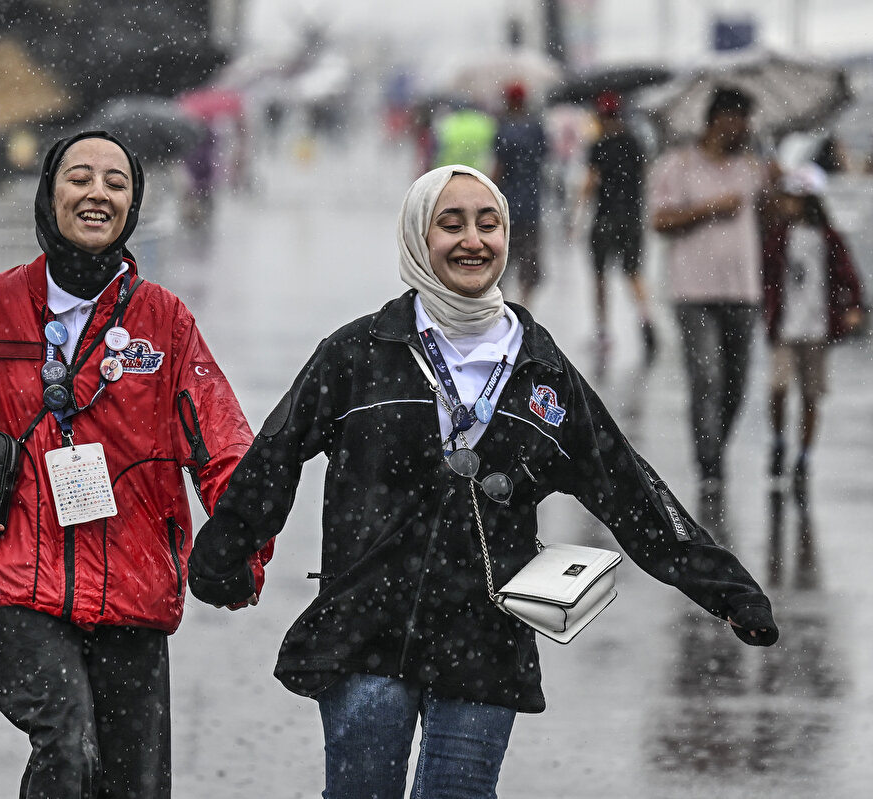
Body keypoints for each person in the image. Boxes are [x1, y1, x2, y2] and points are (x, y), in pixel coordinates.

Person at [188, 164, 779, 799]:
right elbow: (277, 452)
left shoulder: (542, 371)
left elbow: (629, 490)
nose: (473, 240)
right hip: (364, 628)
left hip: (484, 640)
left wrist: (728, 589)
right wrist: (225, 551)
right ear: (419, 237)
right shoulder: (358, 353)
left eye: (488, 223)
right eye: (451, 224)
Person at [0, 130, 270, 798]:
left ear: (132, 204)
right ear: (49, 192)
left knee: (133, 788)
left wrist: (241, 547)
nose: (98, 192)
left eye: (116, 183)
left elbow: (226, 449)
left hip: (135, 593)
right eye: (80, 177)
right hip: (20, 589)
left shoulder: (166, 322)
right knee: (69, 751)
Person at [649, 86, 775, 519]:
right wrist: (708, 208)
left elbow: (774, 216)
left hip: (743, 291)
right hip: (693, 292)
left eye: (747, 120)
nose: (742, 127)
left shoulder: (753, 167)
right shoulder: (677, 165)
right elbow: (660, 220)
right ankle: (709, 467)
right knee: (707, 378)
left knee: (736, 383)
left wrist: (776, 187)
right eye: (736, 118)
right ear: (717, 119)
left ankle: (714, 446)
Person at [761, 162, 864, 502]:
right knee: (778, 388)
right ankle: (778, 441)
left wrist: (853, 307)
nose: (787, 203)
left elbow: (849, 275)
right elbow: (765, 273)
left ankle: (803, 456)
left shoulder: (829, 237)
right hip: (785, 327)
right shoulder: (777, 235)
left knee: (810, 395)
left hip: (817, 329)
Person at [571, 90, 657, 367]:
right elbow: (645, 177)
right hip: (631, 218)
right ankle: (646, 320)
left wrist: (576, 214)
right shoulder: (635, 142)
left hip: (605, 218)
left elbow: (589, 183)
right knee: (633, 273)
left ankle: (603, 331)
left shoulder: (598, 145)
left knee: (600, 278)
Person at [492, 81, 548, 306]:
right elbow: (544, 158)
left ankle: (503, 304)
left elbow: (499, 167)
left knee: (501, 260)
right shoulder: (536, 127)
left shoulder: (503, 128)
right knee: (530, 262)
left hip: (507, 205)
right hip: (532, 204)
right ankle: (525, 305)